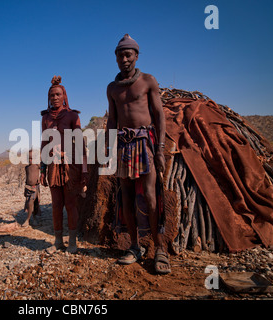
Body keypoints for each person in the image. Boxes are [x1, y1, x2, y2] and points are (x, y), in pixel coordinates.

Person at [106, 34, 170, 274]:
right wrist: (108, 149)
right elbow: (112, 119)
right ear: (116, 58)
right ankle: (134, 246)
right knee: (127, 197)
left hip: (145, 143)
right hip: (123, 145)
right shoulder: (112, 88)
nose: (124, 59)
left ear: (136, 55)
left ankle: (159, 248)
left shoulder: (147, 81)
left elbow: (159, 115)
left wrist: (160, 150)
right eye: (120, 55)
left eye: (128, 54)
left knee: (152, 197)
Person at [40, 75, 87, 254]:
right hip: (52, 165)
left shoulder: (72, 115)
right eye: (52, 95)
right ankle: (58, 241)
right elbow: (44, 144)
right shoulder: (45, 119)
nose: (55, 98)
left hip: (70, 165)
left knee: (70, 204)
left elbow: (80, 143)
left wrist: (84, 168)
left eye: (58, 94)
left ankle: (73, 242)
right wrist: (42, 169)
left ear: (64, 96)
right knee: (56, 204)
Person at [22, 150, 41, 227]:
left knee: (31, 202)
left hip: (35, 188)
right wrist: (25, 190)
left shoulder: (37, 166)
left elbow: (44, 164)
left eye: (32, 158)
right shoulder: (26, 167)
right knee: (31, 204)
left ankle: (27, 219)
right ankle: (34, 218)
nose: (30, 160)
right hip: (28, 188)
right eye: (28, 158)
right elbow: (27, 179)